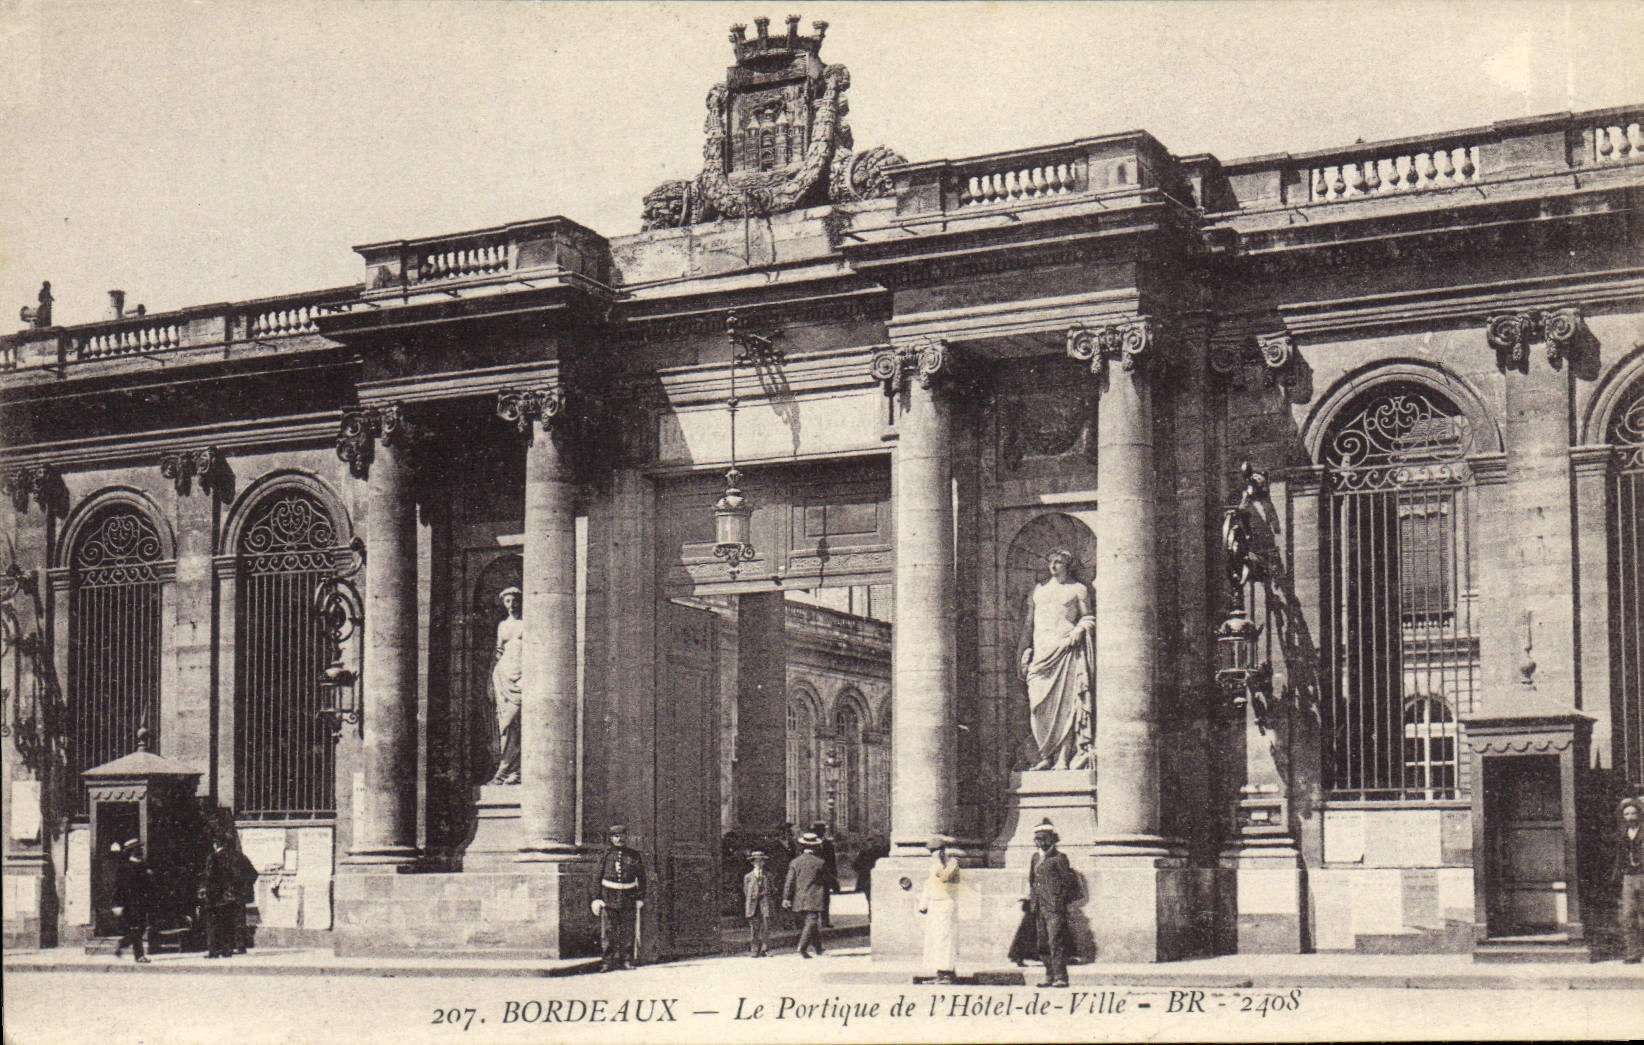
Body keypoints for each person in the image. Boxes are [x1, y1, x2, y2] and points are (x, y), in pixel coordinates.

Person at [1018, 549, 1096, 771]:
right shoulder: (1038, 591)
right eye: (1051, 561)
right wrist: (1023, 652)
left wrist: (1077, 632)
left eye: (1059, 562)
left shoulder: (1078, 589)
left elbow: (1088, 617)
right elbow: (1028, 625)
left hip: (1065, 651)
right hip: (1041, 655)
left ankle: (1062, 758)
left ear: (1068, 564)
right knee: (1037, 706)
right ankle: (1043, 755)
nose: (1053, 565)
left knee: (1066, 706)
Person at [1024, 819, 1079, 988]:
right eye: (1038, 839)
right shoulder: (1035, 858)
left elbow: (1069, 882)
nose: (1040, 842)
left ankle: (1061, 977)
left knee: (1056, 941)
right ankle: (1049, 975)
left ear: (1052, 839)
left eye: (1044, 838)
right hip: (1039, 906)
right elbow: (1032, 880)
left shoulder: (1059, 858)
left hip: (1054, 908)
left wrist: (1060, 900)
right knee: (1042, 943)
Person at [592, 824, 646, 971]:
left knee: (628, 931)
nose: (620, 839)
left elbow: (641, 878)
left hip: (628, 896)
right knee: (609, 931)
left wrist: (640, 897)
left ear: (626, 837)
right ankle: (607, 961)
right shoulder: (605, 855)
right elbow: (597, 876)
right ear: (611, 838)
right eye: (616, 836)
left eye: (622, 835)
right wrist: (596, 898)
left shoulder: (634, 855)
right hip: (609, 897)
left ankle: (626, 960)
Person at [489, 586, 524, 785]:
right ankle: (507, 770)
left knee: (514, 723)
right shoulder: (502, 626)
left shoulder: (527, 623)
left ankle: (511, 771)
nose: (511, 605)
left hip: (520, 678)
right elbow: (498, 653)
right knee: (503, 726)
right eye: (507, 601)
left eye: (514, 600)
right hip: (502, 676)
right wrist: (489, 681)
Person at [917, 835, 962, 984]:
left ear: (942, 851)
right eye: (931, 852)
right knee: (935, 940)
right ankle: (940, 972)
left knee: (945, 939)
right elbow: (928, 885)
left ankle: (947, 973)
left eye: (935, 851)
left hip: (946, 904)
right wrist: (923, 903)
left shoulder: (952, 863)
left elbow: (944, 877)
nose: (932, 855)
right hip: (935, 904)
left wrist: (939, 864)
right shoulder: (934, 866)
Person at [782, 831, 829, 957]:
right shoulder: (820, 863)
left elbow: (789, 881)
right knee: (811, 922)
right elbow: (827, 879)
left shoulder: (795, 862)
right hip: (814, 898)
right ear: (816, 847)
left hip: (799, 898)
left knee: (810, 923)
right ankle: (802, 947)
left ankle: (819, 949)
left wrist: (786, 897)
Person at [199, 835, 243, 958]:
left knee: (212, 924)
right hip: (227, 896)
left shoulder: (212, 858)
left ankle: (213, 951)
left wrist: (205, 890)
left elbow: (209, 878)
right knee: (226, 923)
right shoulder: (233, 857)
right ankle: (227, 949)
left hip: (214, 897)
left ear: (216, 844)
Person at [112, 838, 154, 964]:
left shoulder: (143, 866)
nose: (140, 851)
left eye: (140, 849)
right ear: (131, 851)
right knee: (136, 929)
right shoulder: (124, 868)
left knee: (140, 929)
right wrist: (117, 904)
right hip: (129, 904)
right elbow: (118, 887)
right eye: (138, 849)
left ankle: (123, 943)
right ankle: (139, 955)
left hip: (142, 903)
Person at [1616, 797, 1644, 963]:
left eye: (1634, 813)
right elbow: (1619, 858)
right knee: (1628, 915)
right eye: (1627, 814)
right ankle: (1633, 953)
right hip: (1628, 877)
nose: (1630, 817)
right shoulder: (1622, 834)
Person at [742, 849, 776, 957]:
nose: (759, 863)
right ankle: (754, 948)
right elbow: (746, 891)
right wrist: (754, 896)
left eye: (761, 861)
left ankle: (765, 949)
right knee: (754, 927)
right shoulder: (748, 877)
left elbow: (772, 889)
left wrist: (766, 893)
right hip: (753, 904)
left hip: (765, 903)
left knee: (766, 926)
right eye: (756, 861)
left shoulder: (768, 875)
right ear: (752, 863)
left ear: (764, 862)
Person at [810, 821, 839, 927]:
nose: (820, 833)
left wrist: (834, 876)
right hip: (814, 875)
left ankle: (825, 920)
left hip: (826, 875)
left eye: (822, 830)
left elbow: (832, 861)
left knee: (826, 898)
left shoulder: (828, 844)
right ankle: (814, 921)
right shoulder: (810, 844)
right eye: (818, 830)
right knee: (814, 898)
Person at [851, 834, 888, 918]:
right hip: (879, 880)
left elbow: (855, 865)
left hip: (868, 880)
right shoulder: (884, 852)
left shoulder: (865, 852)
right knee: (880, 899)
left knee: (871, 900)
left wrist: (864, 870)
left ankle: (872, 917)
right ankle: (877, 916)